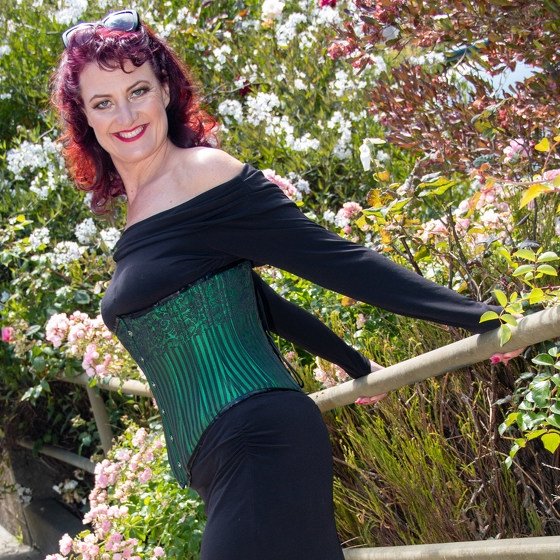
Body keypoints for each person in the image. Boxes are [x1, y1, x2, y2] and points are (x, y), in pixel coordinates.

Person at [51, 10, 504, 560]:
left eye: (138, 90)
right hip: (218, 459)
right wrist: (353, 363)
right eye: (103, 102)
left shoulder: (204, 174)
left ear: (165, 90)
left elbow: (335, 259)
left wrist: (478, 317)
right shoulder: (141, 209)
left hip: (260, 440)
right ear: (85, 118)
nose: (125, 115)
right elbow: (254, 302)